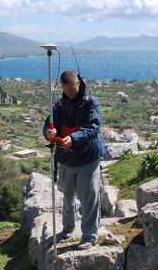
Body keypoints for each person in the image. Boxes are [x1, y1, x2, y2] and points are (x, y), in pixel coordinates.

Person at [43, 70, 105, 249]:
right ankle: (67, 229)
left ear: (78, 82)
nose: (69, 93)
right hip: (66, 159)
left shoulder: (90, 103)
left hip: (87, 158)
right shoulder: (60, 104)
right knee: (67, 198)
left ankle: (89, 236)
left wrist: (73, 139)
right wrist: (49, 133)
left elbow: (92, 127)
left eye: (71, 89)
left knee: (89, 198)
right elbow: (49, 123)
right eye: (65, 89)